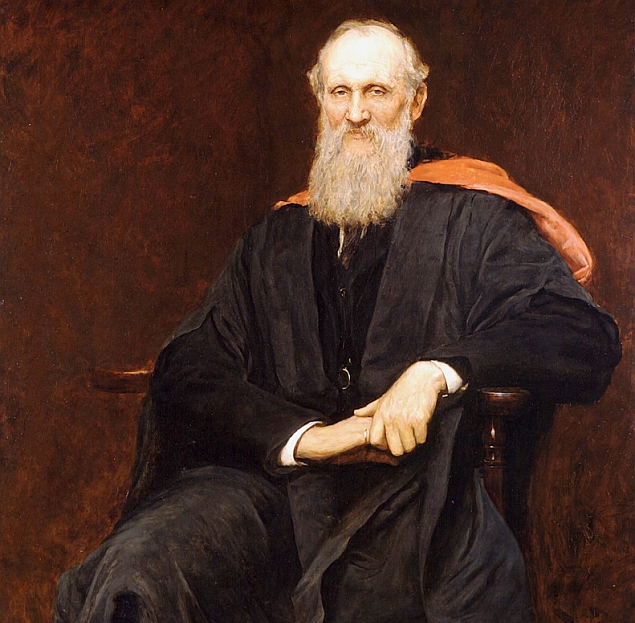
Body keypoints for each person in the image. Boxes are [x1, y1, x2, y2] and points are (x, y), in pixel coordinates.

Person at [54, 19, 620, 623]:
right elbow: (191, 362)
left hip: (416, 497)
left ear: (415, 102)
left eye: (376, 91)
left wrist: (437, 371)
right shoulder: (276, 236)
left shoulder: (474, 219)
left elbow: (580, 332)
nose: (355, 114)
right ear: (320, 100)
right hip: (279, 491)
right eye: (340, 92)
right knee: (140, 571)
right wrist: (304, 438)